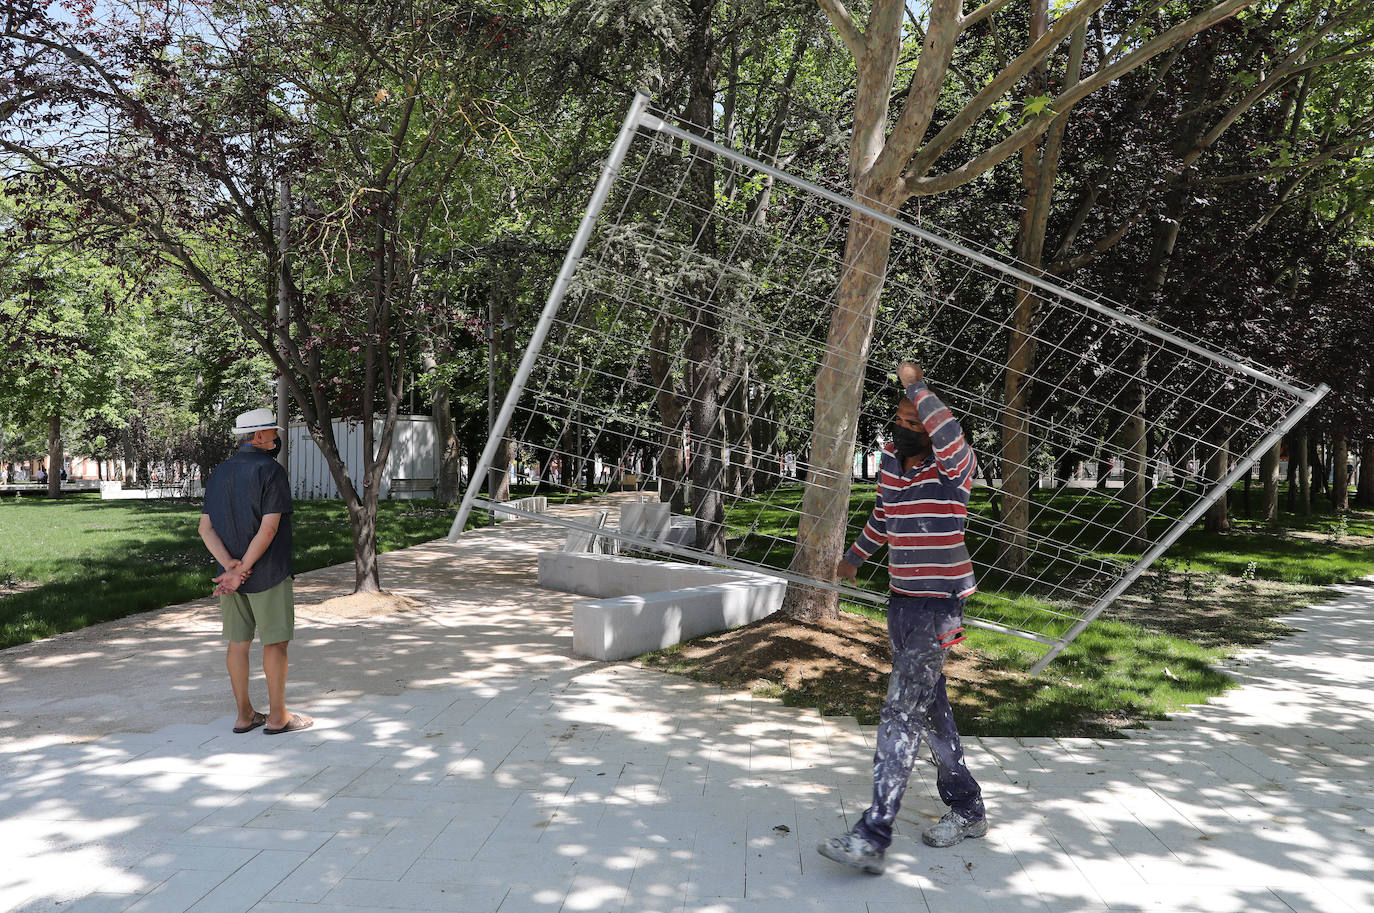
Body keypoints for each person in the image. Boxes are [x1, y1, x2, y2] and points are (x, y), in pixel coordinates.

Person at [818, 361, 986, 876]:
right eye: (900, 419)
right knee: (930, 710)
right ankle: (968, 807)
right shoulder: (892, 461)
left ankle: (873, 834)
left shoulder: (956, 467)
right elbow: (886, 514)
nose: (904, 428)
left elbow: (950, 432)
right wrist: (855, 557)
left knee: (899, 713)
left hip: (939, 607)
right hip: (901, 602)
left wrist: (916, 384)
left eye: (916, 422)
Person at [198, 408, 312, 735]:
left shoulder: (218, 472)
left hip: (230, 579)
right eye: (273, 433)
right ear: (259, 436)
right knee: (275, 643)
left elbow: (205, 529)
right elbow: (268, 529)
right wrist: (243, 569)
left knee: (237, 643)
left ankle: (244, 715)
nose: (277, 438)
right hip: (268, 572)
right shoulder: (271, 471)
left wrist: (230, 568)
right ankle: (278, 718)